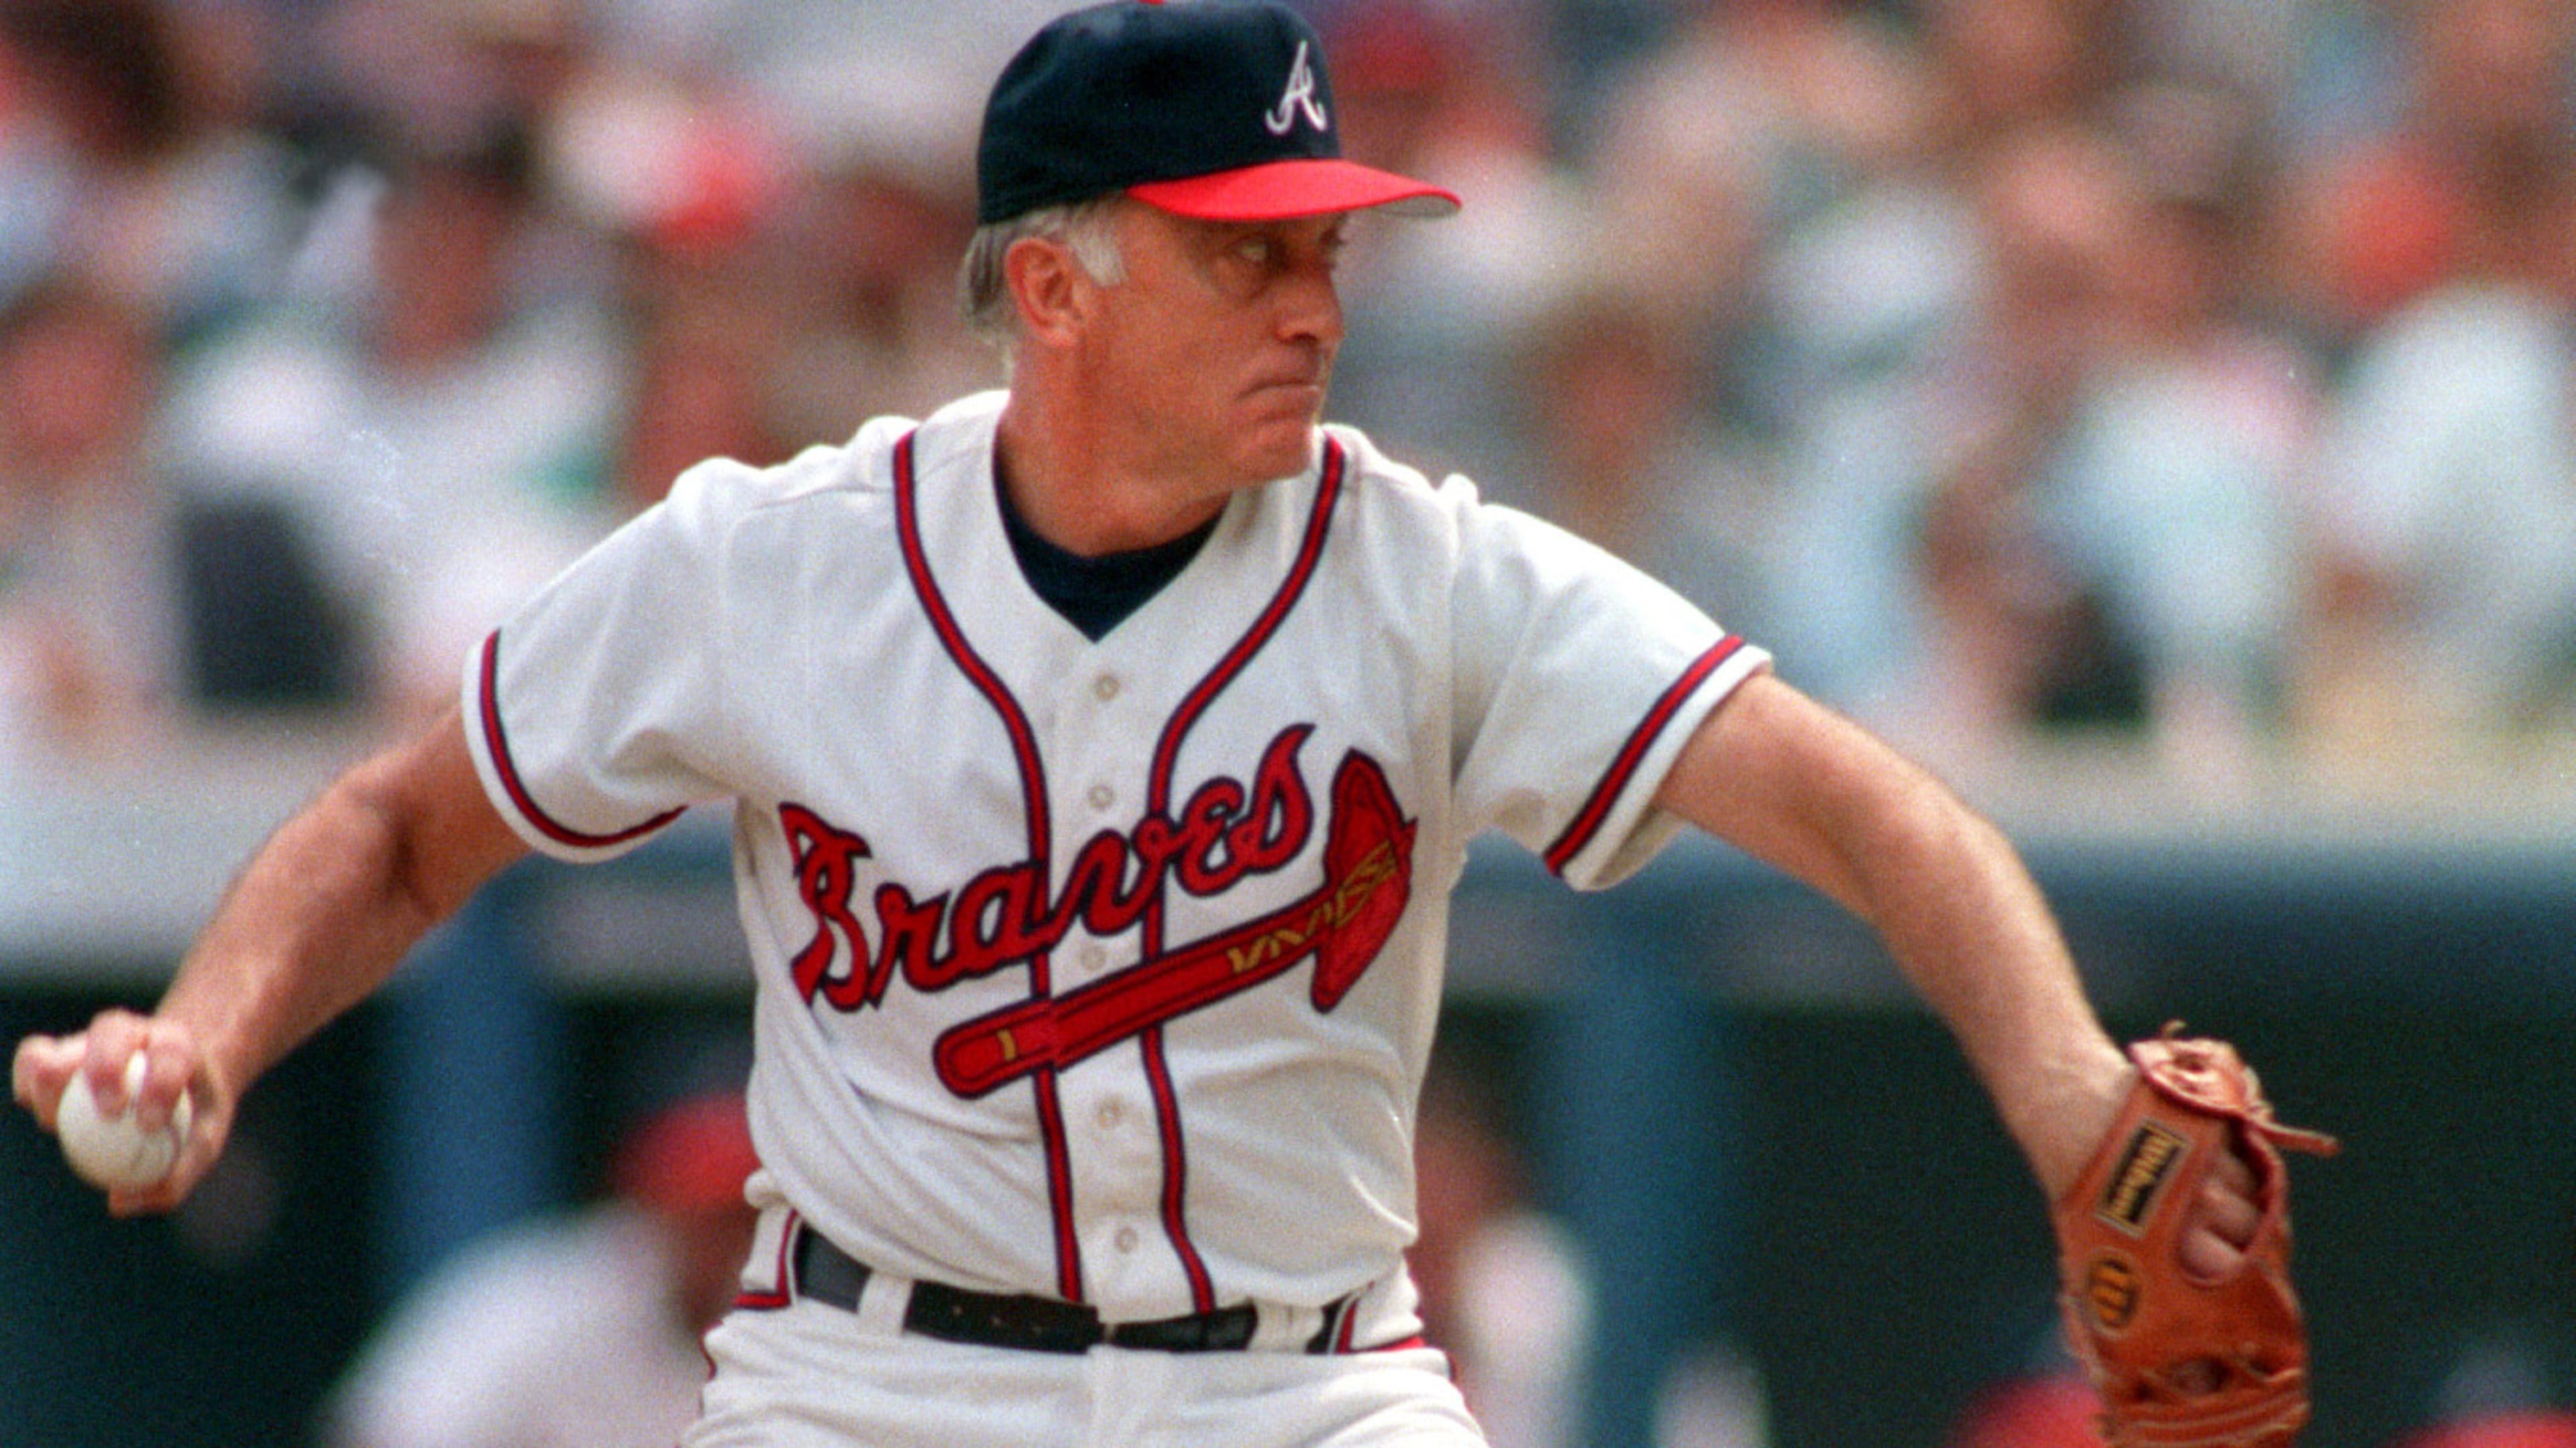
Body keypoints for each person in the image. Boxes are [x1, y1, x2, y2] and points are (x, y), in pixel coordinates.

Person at [13, 4, 2271, 1445]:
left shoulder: (1429, 565)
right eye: (1248, 254)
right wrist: (210, 1029)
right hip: (871, 1380)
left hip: (1315, 1384)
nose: (1316, 301)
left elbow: (1869, 804)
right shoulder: (774, 563)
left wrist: (2077, 1092)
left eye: (1327, 251)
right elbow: (413, 822)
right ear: (1060, 282)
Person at [323, 1091, 762, 1448]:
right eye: (710, 1219)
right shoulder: (547, 1301)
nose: (727, 1244)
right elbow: (389, 1431)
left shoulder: (783, 1326)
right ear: (652, 1211)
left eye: (746, 1223)